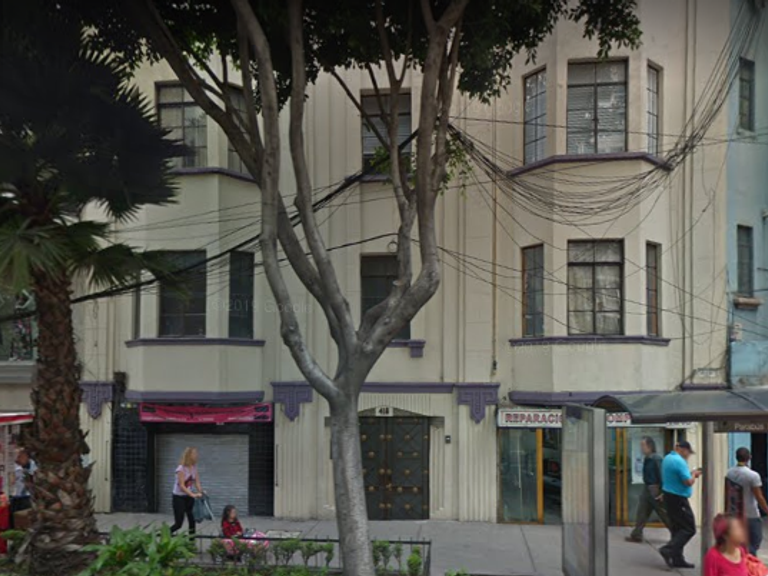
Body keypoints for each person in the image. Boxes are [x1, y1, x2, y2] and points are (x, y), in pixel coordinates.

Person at [660, 440, 702, 569]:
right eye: (688, 452)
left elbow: (674, 477)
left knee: (677, 528)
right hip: (678, 498)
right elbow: (688, 482)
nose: (688, 455)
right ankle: (668, 549)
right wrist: (694, 474)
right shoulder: (679, 461)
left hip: (669, 496)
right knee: (689, 528)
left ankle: (677, 558)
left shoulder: (667, 458)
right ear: (683, 449)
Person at [626, 436, 671, 542]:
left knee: (663, 514)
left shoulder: (656, 459)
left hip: (655, 489)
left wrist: (663, 492)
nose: (641, 448)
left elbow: (662, 475)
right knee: (642, 512)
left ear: (650, 446)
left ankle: (677, 534)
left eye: (643, 445)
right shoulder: (647, 458)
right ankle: (636, 534)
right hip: (647, 488)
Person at [727, 447, 768, 555]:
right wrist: (766, 510)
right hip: (751, 513)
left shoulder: (729, 472)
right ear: (749, 457)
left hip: (735, 512)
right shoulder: (753, 475)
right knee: (755, 540)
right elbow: (759, 496)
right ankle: (748, 560)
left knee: (740, 540)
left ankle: (741, 558)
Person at [170, 447, 203, 536]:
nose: (196, 455)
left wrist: (201, 491)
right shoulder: (181, 469)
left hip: (189, 497)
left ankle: (191, 541)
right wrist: (193, 494)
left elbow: (196, 481)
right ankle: (165, 535)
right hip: (179, 497)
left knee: (192, 520)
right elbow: (182, 486)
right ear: (189, 455)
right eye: (194, 454)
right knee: (178, 524)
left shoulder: (194, 467)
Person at [10, 449, 36, 526]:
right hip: (15, 497)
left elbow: (33, 480)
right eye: (18, 456)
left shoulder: (32, 465)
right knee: (14, 518)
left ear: (27, 456)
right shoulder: (15, 466)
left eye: (20, 456)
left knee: (25, 518)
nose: (17, 458)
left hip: (26, 497)